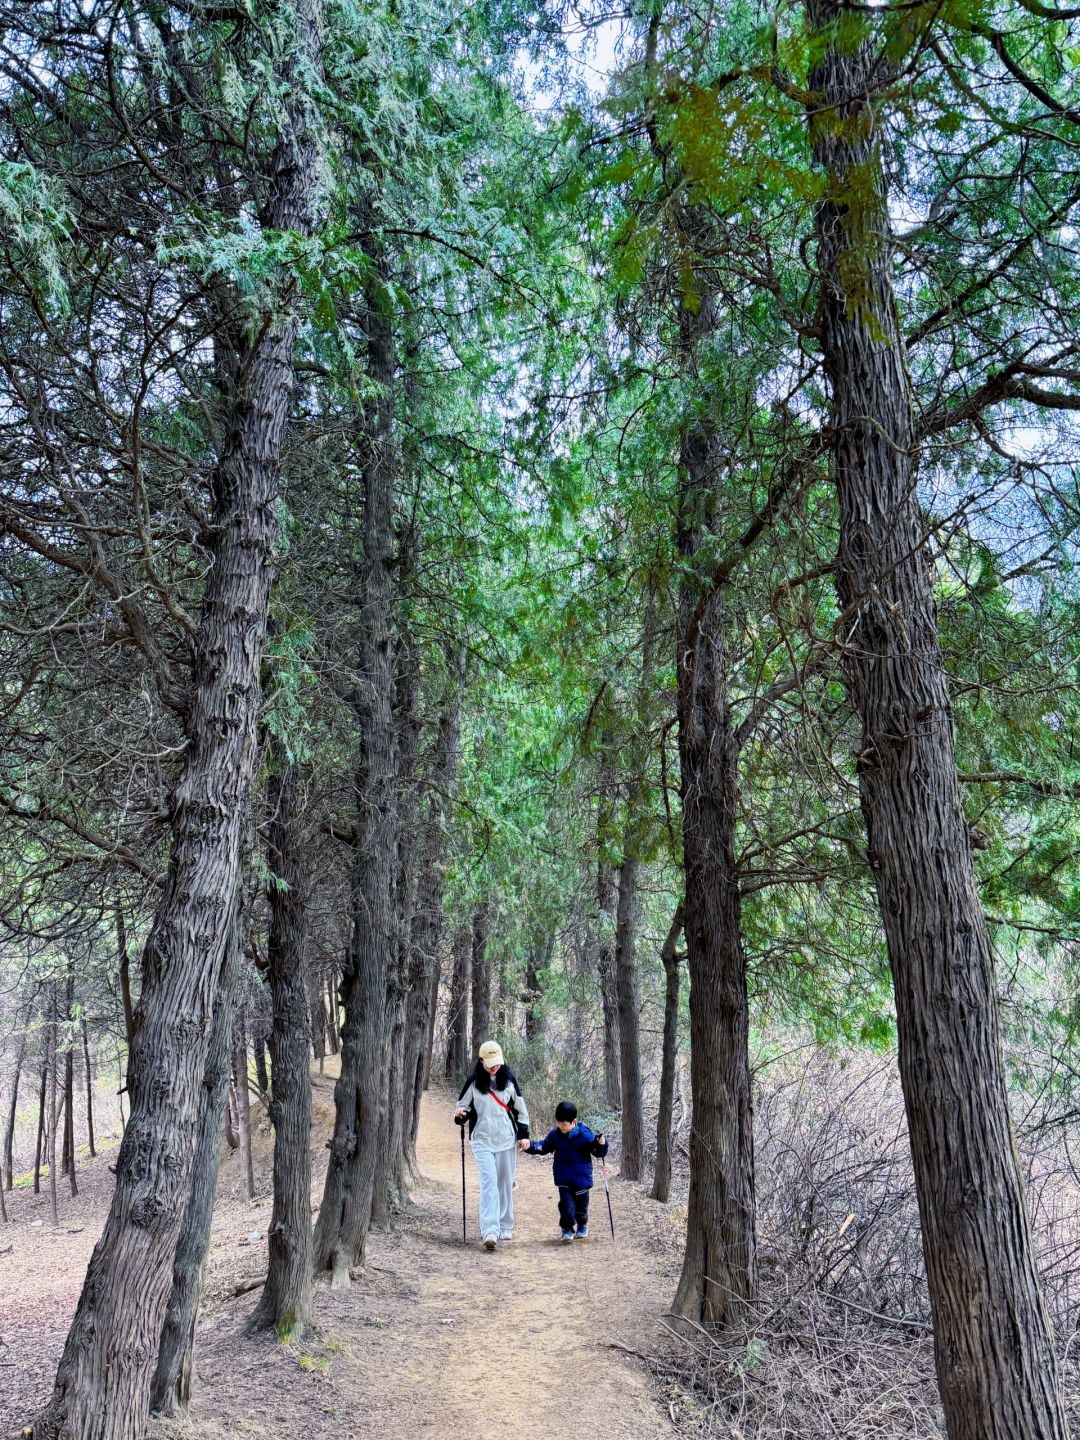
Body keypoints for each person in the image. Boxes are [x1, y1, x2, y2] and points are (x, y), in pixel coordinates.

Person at [454, 1040, 531, 1252]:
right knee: (489, 1182)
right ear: (481, 1061)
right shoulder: (473, 1082)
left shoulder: (509, 1080)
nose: (494, 1067)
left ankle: (505, 1225)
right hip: (481, 1140)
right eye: (490, 1063)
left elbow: (521, 1111)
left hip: (506, 1139)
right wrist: (461, 1116)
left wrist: (524, 1136)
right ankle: (489, 1230)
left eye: (497, 1062)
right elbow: (463, 1107)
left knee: (505, 1183)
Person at [523, 1100, 607, 1242]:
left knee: (581, 1208)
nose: (561, 1127)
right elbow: (544, 1146)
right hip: (564, 1179)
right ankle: (567, 1230)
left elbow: (597, 1151)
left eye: (564, 1125)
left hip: (581, 1179)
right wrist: (529, 1145)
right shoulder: (555, 1135)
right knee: (566, 1206)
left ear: (574, 1121)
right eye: (558, 1123)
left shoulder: (584, 1135)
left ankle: (582, 1225)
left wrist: (601, 1144)